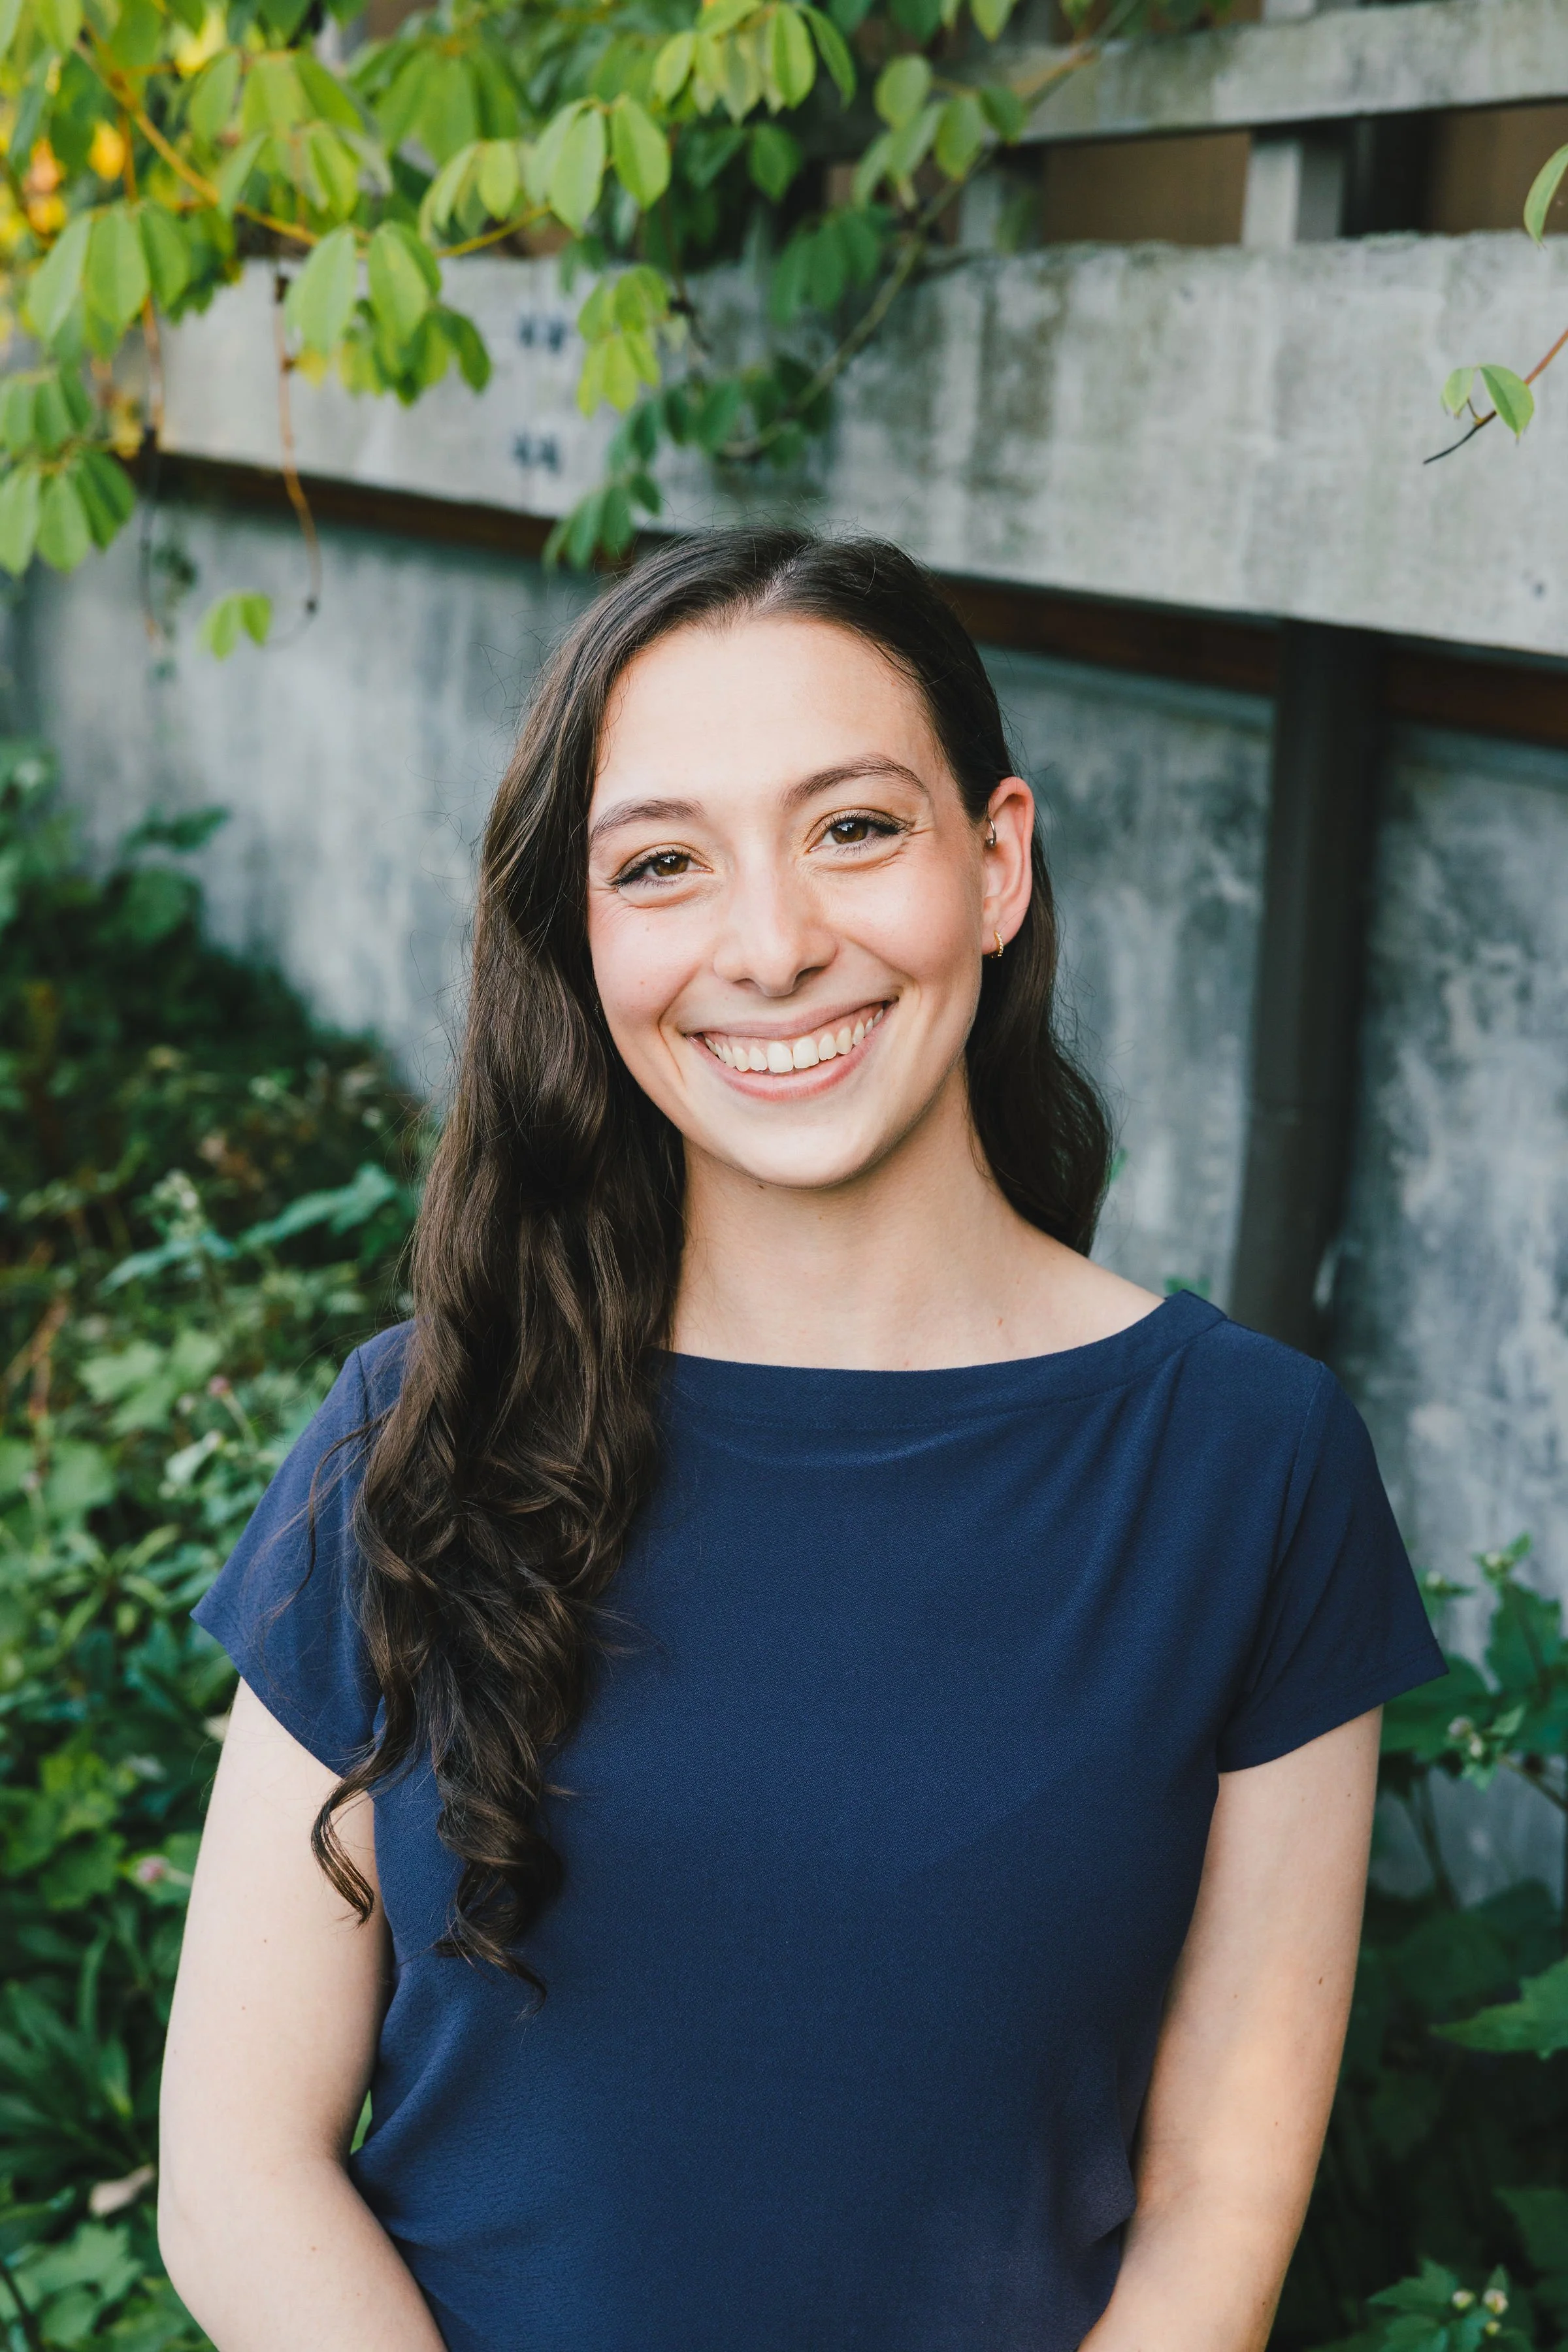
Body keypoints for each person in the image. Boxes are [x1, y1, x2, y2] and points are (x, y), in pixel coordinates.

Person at [158, 529, 1444, 2352]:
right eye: (664, 865)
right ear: (584, 937)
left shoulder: (1247, 1465)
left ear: (996, 863)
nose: (772, 946)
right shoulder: (420, 1432)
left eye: (855, 828)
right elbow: (235, 2163)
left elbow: (1214, 2218)